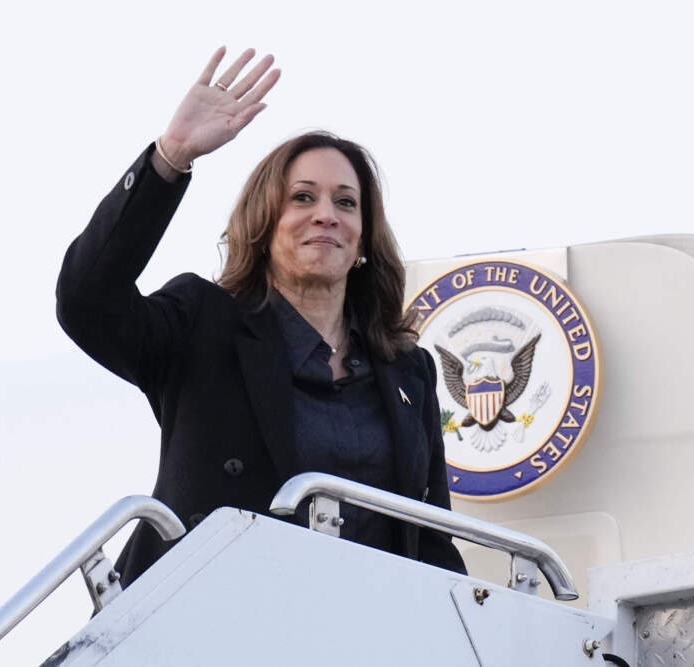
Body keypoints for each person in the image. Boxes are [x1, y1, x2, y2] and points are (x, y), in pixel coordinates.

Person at [56, 47, 466, 586]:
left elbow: (431, 539)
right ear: (264, 224)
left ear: (364, 238)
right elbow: (87, 301)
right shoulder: (201, 325)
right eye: (303, 198)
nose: (326, 214)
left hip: (364, 621)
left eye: (346, 202)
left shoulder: (408, 370)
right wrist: (170, 157)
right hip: (208, 612)